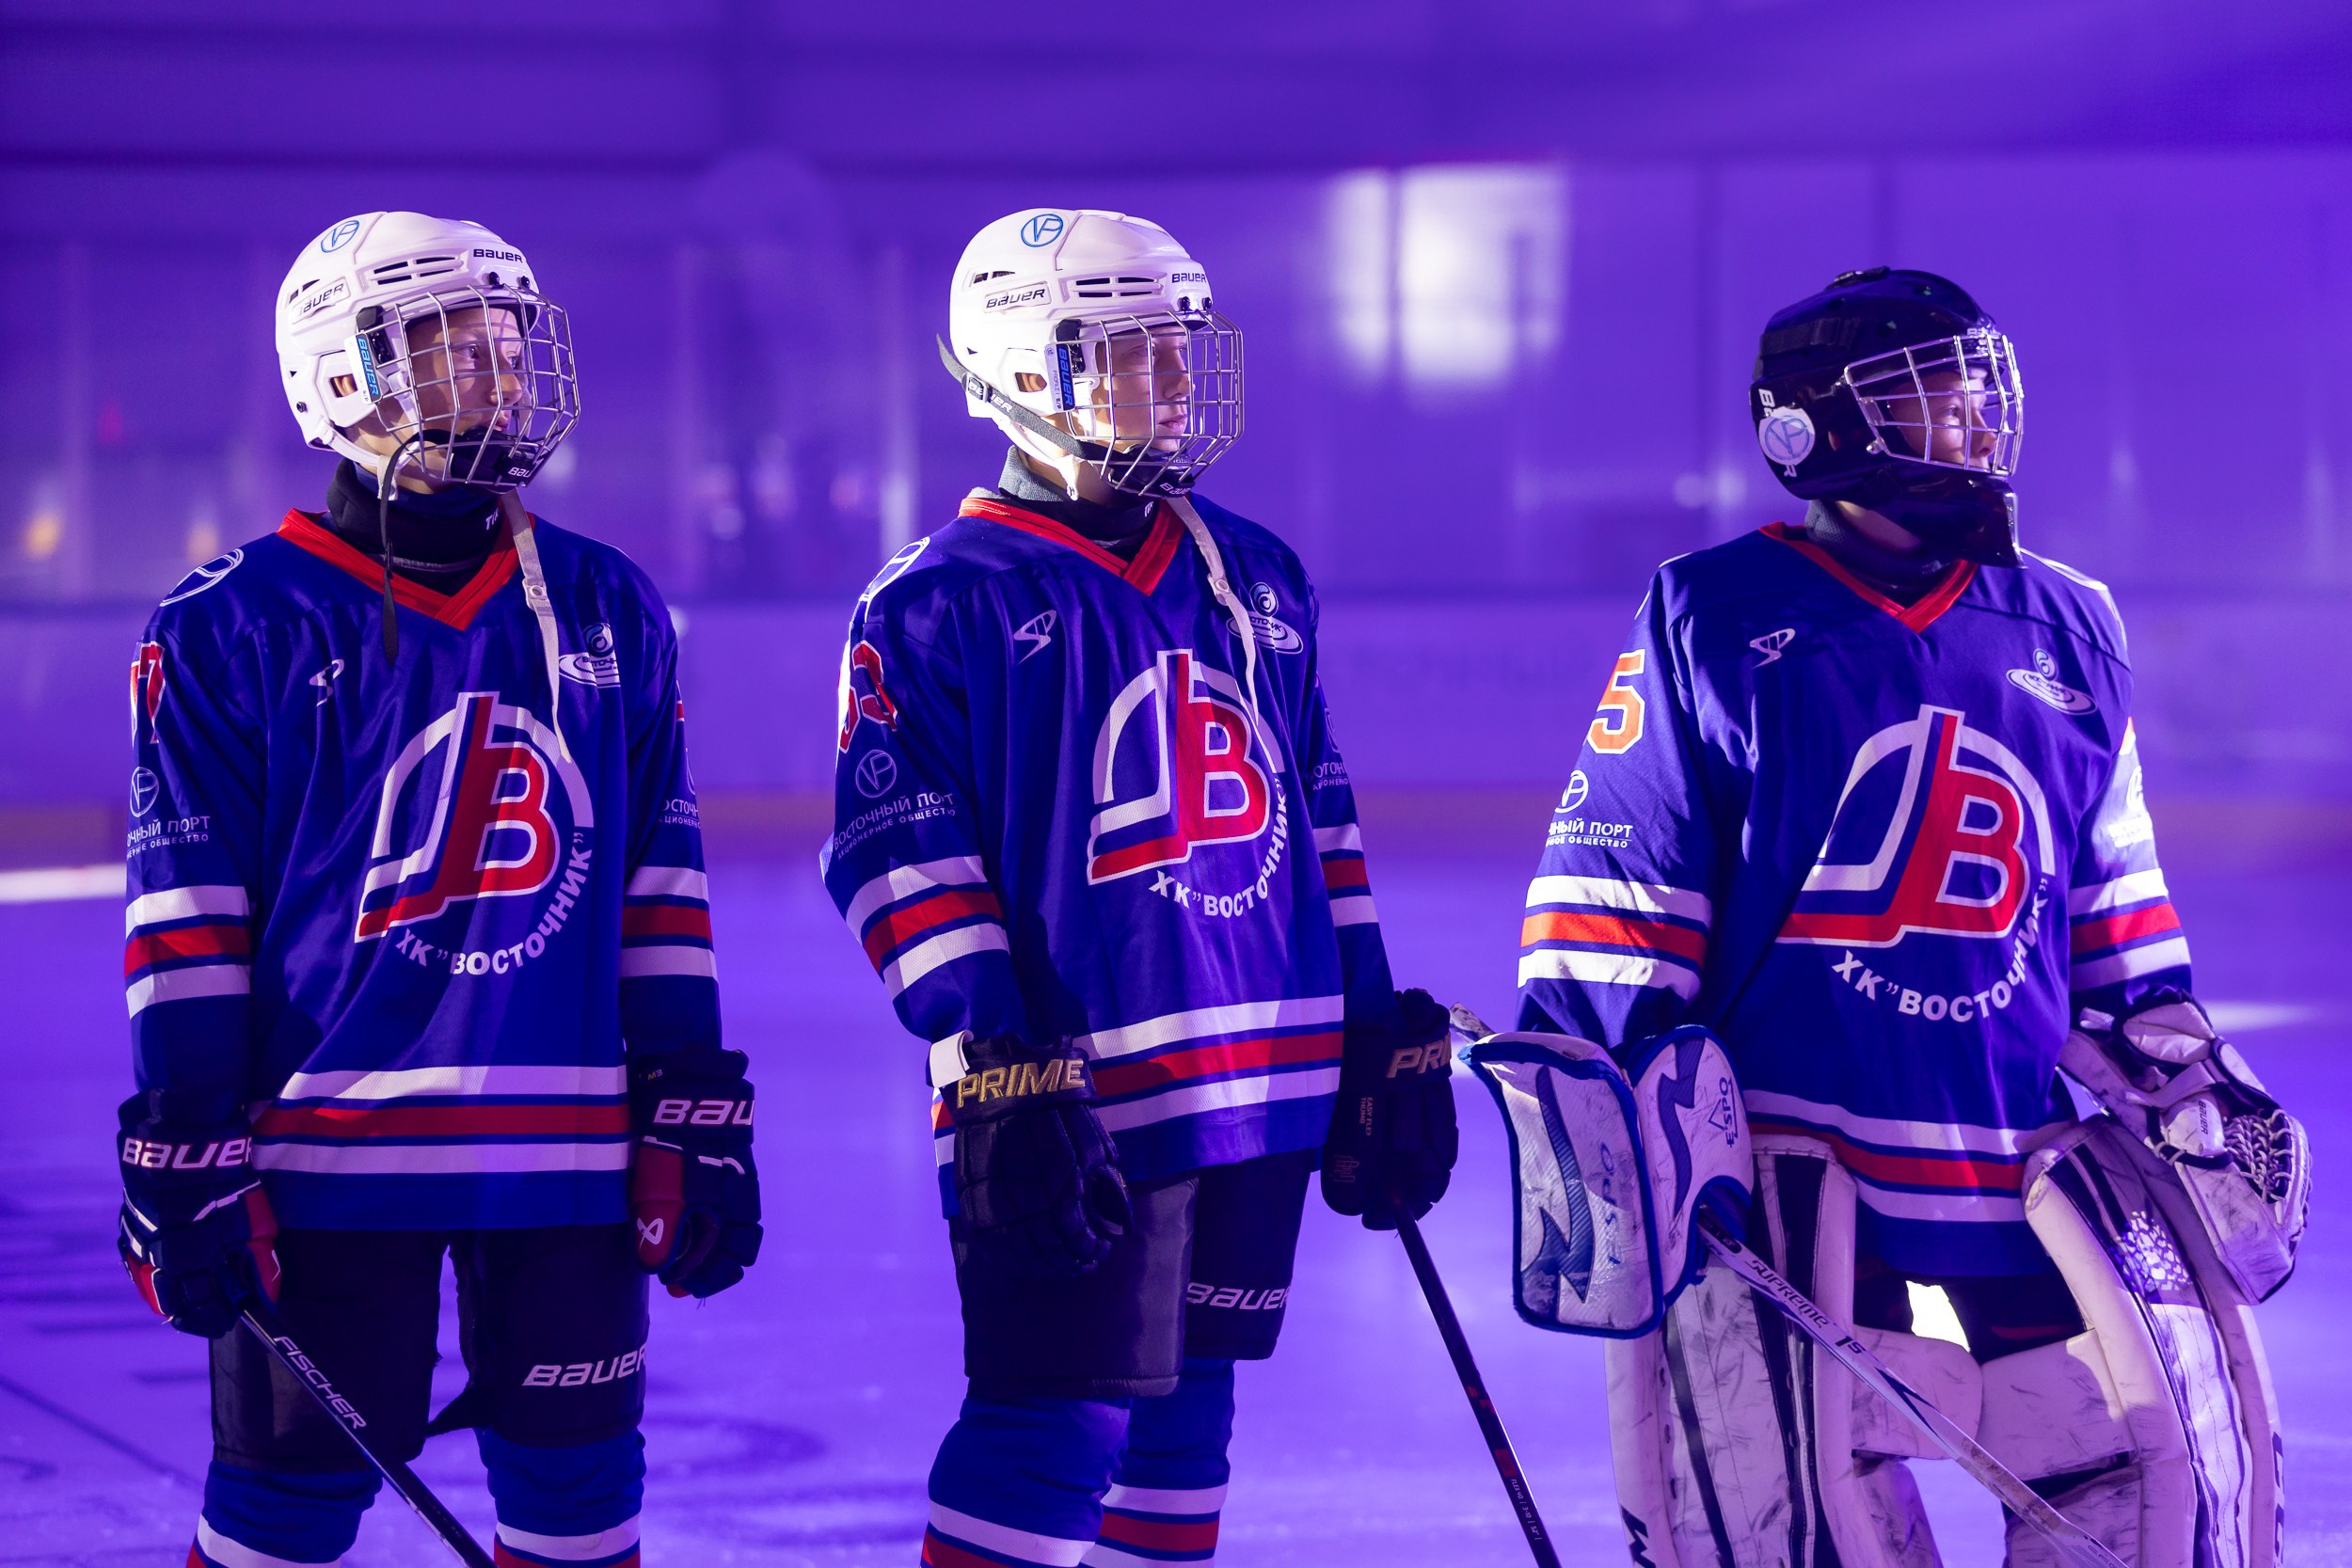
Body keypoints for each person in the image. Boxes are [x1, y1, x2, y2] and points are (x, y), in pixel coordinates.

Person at [1515, 268, 2296, 1566]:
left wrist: (2182, 1078)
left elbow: (2118, 920)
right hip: (1800, 1173)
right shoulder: (1711, 613)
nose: (1977, 425)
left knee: (2156, 1501)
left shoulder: (2072, 624)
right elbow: (1615, 895)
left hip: (2021, 1166)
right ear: (1812, 430)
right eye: (1932, 400)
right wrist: (1622, 1114)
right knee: (1801, 1520)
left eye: (1982, 392)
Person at [115, 211, 760, 1568]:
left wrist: (694, 1098)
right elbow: (188, 920)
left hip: (567, 1167)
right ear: (340, 377)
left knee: (583, 1510)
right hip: (325, 1165)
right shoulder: (229, 621)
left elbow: (658, 881)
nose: (500, 375)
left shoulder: (606, 604)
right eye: (451, 345)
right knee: (282, 1516)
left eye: (507, 343)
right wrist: (189, 1140)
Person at [825, 207, 1457, 1567]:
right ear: (1016, 366)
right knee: (1051, 1424)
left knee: (1185, 1423)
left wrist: (1373, 1028)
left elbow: (1322, 820)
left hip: (1259, 1081)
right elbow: (897, 847)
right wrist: (988, 1045)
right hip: (1071, 1095)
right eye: (1125, 351)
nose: (1171, 380)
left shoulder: (1258, 575)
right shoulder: (938, 600)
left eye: (1178, 345)